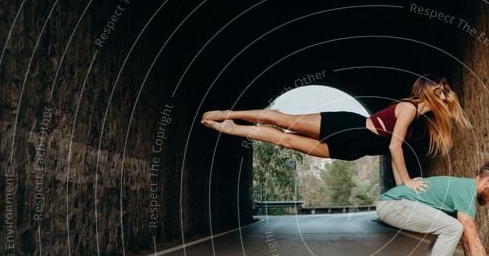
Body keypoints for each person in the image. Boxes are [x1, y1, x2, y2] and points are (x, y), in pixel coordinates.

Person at [200, 75, 471, 193]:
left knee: (287, 139)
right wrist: (406, 182)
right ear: (433, 91)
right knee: (284, 120)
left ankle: (232, 130)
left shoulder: (420, 122)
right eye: (445, 90)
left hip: (352, 149)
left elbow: (395, 148)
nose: (449, 96)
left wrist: (403, 184)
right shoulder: (408, 109)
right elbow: (394, 148)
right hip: (347, 127)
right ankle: (229, 113)